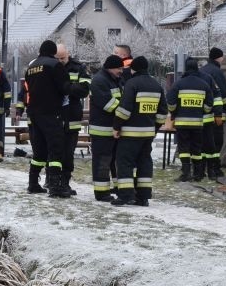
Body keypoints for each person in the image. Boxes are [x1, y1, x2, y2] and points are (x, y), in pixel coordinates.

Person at [111, 56, 167, 206]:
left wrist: (116, 127)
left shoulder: (131, 84)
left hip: (129, 133)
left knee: (124, 162)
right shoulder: (156, 85)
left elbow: (124, 110)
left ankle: (125, 195)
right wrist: (154, 129)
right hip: (147, 134)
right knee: (144, 163)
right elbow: (162, 113)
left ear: (133, 69)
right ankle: (143, 197)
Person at [24, 40, 71, 197]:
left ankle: (33, 183)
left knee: (40, 150)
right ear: (53, 52)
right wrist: (78, 89)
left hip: (34, 114)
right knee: (56, 148)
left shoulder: (31, 67)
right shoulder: (54, 65)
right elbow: (64, 87)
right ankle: (55, 186)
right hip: (51, 112)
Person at [167, 58, 213, 182]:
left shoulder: (178, 84)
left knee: (184, 148)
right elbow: (209, 105)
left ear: (186, 69)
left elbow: (170, 102)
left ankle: (185, 173)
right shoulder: (204, 84)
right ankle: (198, 174)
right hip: (198, 123)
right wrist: (201, 111)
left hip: (182, 123)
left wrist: (174, 112)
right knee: (197, 149)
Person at [56, 43, 91, 196]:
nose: (60, 61)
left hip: (72, 115)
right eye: (58, 58)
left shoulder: (78, 68)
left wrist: (66, 88)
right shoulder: (52, 66)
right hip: (55, 115)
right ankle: (52, 181)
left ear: (68, 54)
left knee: (68, 151)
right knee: (54, 151)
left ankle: (65, 182)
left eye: (62, 58)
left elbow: (84, 89)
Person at [89, 55, 124, 201]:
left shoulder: (114, 80)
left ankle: (116, 187)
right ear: (110, 67)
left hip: (113, 129)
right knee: (102, 161)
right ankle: (101, 192)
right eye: (119, 68)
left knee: (114, 160)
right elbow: (109, 105)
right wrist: (126, 111)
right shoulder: (99, 81)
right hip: (101, 130)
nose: (121, 71)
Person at [200, 47, 226, 178]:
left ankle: (200, 169)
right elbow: (223, 93)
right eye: (222, 57)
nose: (223, 59)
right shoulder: (217, 72)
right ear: (218, 58)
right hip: (216, 114)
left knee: (203, 142)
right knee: (216, 142)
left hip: (201, 115)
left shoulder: (202, 71)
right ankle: (215, 168)